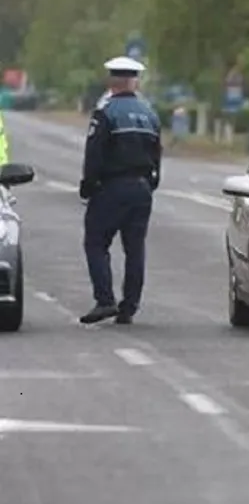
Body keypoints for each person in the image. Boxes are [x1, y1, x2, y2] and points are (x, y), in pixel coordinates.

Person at [79, 56, 162, 325]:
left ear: (112, 81)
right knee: (135, 248)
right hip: (141, 189)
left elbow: (95, 153)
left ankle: (105, 300)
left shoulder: (106, 112)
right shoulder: (149, 114)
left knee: (96, 242)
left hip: (112, 187)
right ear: (134, 81)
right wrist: (149, 185)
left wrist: (88, 185)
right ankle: (129, 307)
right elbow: (157, 155)